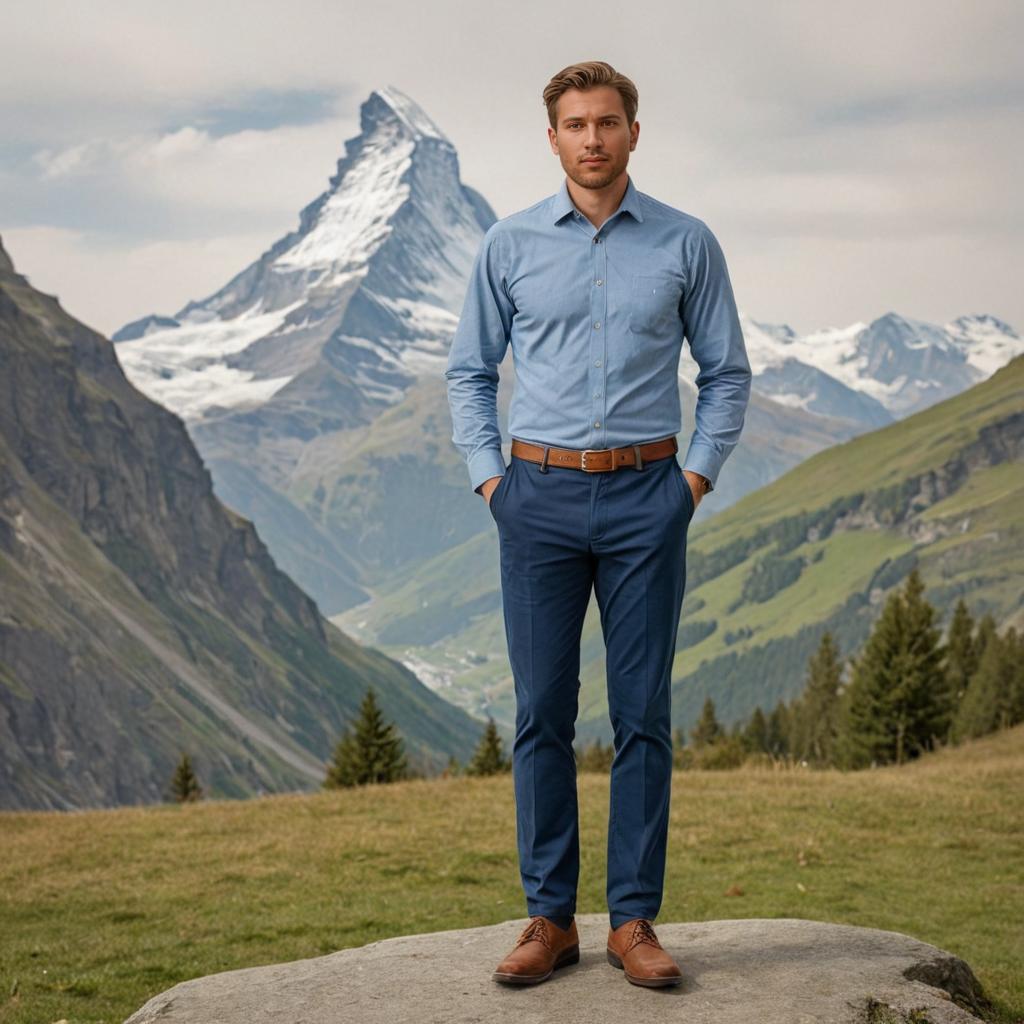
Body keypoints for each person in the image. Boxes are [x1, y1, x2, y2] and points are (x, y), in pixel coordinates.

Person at [444, 59, 752, 989]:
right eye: (575, 124)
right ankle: (549, 919)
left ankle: (633, 922)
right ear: (553, 138)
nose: (592, 138)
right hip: (533, 498)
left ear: (632, 132)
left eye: (607, 122)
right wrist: (492, 483)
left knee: (643, 716)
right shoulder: (507, 245)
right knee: (540, 712)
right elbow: (469, 373)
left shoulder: (687, 243)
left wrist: (692, 480)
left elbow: (727, 373)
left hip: (646, 497)